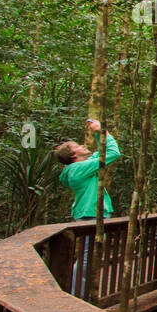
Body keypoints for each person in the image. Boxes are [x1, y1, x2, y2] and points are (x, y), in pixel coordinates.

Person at [53, 117, 121, 297]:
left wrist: (99, 133)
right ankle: (78, 296)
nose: (83, 146)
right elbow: (112, 153)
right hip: (91, 213)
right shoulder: (77, 170)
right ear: (74, 156)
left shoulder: (79, 168)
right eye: (79, 147)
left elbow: (101, 154)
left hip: (88, 212)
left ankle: (82, 293)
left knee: (87, 256)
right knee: (86, 258)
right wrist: (101, 132)